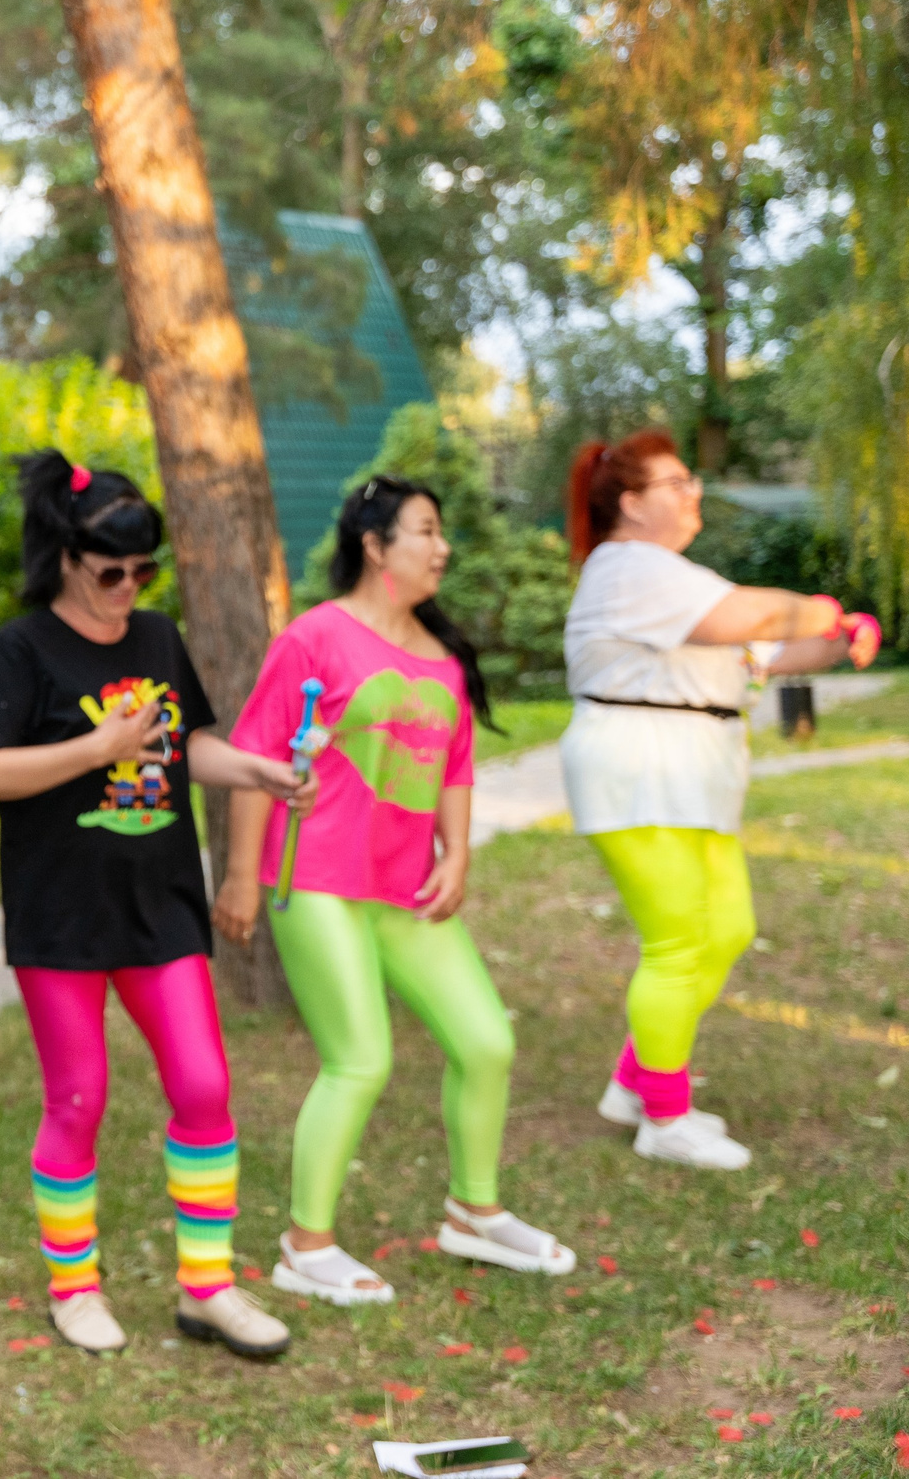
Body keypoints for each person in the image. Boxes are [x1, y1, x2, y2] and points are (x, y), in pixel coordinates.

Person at [0, 452, 305, 1357]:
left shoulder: (156, 637)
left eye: (143, 572)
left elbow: (187, 745)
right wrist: (95, 748)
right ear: (65, 557)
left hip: (162, 907)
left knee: (204, 1085)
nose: (127, 588)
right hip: (60, 915)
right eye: (109, 571)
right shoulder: (22, 647)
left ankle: (208, 1287)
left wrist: (257, 768)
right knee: (78, 1097)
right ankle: (74, 1290)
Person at [219, 475, 575, 1306]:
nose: (442, 547)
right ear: (375, 545)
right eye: (425, 530)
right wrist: (238, 876)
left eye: (441, 531)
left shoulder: (441, 658)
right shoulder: (314, 638)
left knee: (486, 1041)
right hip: (316, 876)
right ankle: (305, 1246)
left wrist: (457, 854)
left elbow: (455, 764)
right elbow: (256, 755)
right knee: (360, 1059)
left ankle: (474, 1212)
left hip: (405, 886)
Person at [557, 433, 878, 1169]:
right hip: (638, 768)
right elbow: (755, 619)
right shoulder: (627, 566)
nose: (693, 491)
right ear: (631, 504)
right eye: (676, 482)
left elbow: (765, 653)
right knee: (677, 940)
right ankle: (665, 1118)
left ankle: (635, 1084)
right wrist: (818, 608)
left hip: (693, 775)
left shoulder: (676, 577)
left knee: (728, 928)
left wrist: (838, 637)